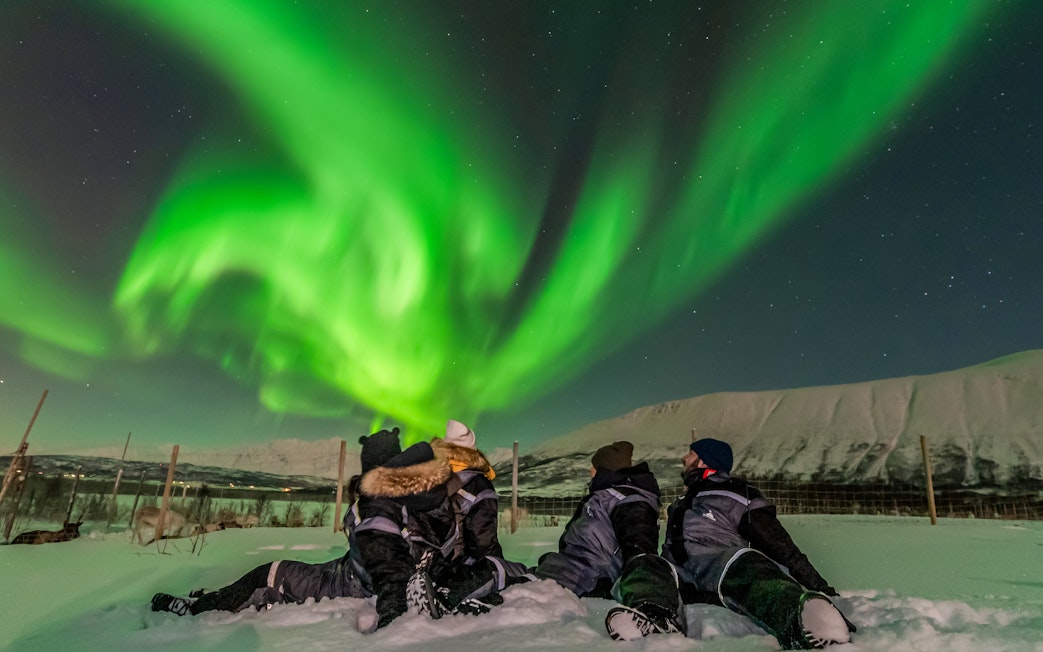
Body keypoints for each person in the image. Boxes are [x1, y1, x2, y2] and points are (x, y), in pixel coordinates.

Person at [150, 427, 404, 618]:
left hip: (352, 586)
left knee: (272, 573)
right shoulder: (402, 498)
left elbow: (383, 559)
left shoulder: (378, 503)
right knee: (298, 571)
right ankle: (222, 596)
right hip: (348, 571)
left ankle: (197, 610)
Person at [662, 437, 855, 649]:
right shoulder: (683, 503)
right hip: (679, 579)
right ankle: (648, 617)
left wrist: (821, 588)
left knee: (749, 564)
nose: (684, 458)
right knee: (645, 564)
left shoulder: (738, 494)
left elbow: (780, 546)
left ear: (704, 461)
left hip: (722, 572)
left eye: (690, 453)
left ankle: (808, 621)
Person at [353, 435, 509, 631]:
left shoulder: (375, 501)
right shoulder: (470, 484)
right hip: (397, 575)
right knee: (496, 569)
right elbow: (482, 542)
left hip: (375, 574)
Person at [535, 441, 686, 640]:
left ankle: (656, 617)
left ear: (605, 469)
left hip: (591, 577)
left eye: (595, 467)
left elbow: (639, 550)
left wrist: (637, 590)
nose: (590, 471)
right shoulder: (603, 496)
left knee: (529, 585)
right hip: (567, 568)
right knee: (522, 577)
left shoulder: (629, 499)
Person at [429, 419, 533, 588]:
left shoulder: (429, 477)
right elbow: (483, 540)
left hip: (427, 564)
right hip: (459, 568)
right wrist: (496, 566)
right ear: (473, 451)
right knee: (520, 572)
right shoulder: (478, 485)